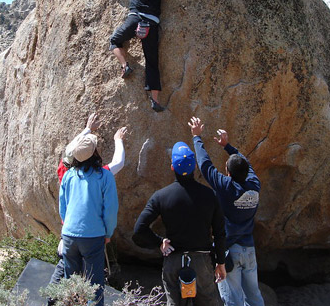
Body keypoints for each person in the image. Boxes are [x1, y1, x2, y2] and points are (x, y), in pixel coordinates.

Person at [100, 0, 219, 112]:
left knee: (114, 40)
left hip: (134, 19)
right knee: (152, 61)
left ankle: (125, 65)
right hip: (151, 23)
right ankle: (155, 100)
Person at [132, 141, 226, 306]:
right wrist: (220, 262)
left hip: (174, 261)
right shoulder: (210, 195)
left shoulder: (160, 196)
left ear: (172, 167)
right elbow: (219, 232)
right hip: (201, 261)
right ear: (195, 166)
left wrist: (159, 242)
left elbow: (139, 230)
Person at [188, 117, 265, 306]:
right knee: (254, 296)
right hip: (249, 249)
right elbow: (247, 165)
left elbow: (205, 166)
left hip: (229, 250)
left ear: (228, 173)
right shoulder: (254, 185)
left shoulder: (227, 187)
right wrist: (228, 146)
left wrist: (197, 137)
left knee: (232, 299)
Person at [49, 113, 127, 288]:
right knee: (94, 282)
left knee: (68, 276)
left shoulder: (66, 173)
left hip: (69, 232)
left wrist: (87, 129)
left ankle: (53, 298)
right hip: (93, 234)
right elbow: (119, 162)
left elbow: (63, 206)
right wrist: (118, 139)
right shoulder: (103, 175)